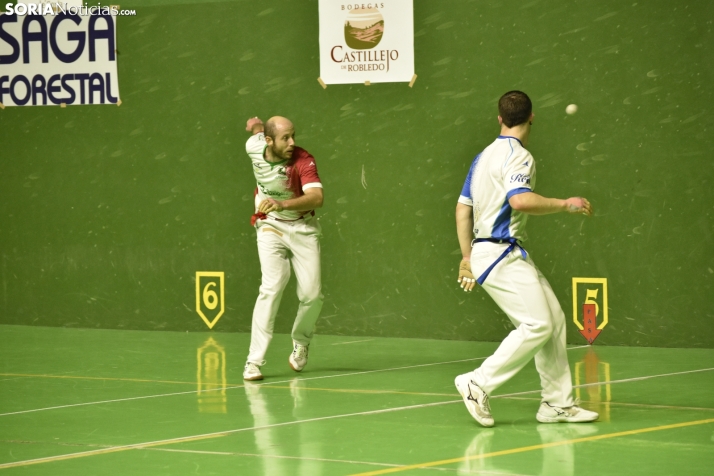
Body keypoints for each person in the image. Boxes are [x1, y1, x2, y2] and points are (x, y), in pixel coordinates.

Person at [453, 91, 599, 427]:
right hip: (499, 253)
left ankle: (557, 404)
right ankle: (478, 382)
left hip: (495, 252)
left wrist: (465, 256)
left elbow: (463, 208)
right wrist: (566, 204)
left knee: (555, 319)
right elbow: (519, 201)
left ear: (499, 118)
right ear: (532, 117)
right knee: (538, 324)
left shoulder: (482, 157)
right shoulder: (519, 157)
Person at [242, 116, 324, 381]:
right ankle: (253, 361)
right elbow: (257, 130)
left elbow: (317, 198)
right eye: (285, 138)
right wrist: (254, 124)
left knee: (312, 294)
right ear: (268, 141)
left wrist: (282, 204)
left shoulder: (302, 160)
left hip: (302, 227)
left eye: (293, 136)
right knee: (271, 287)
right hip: (270, 226)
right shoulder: (253, 145)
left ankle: (301, 341)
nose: (292, 143)